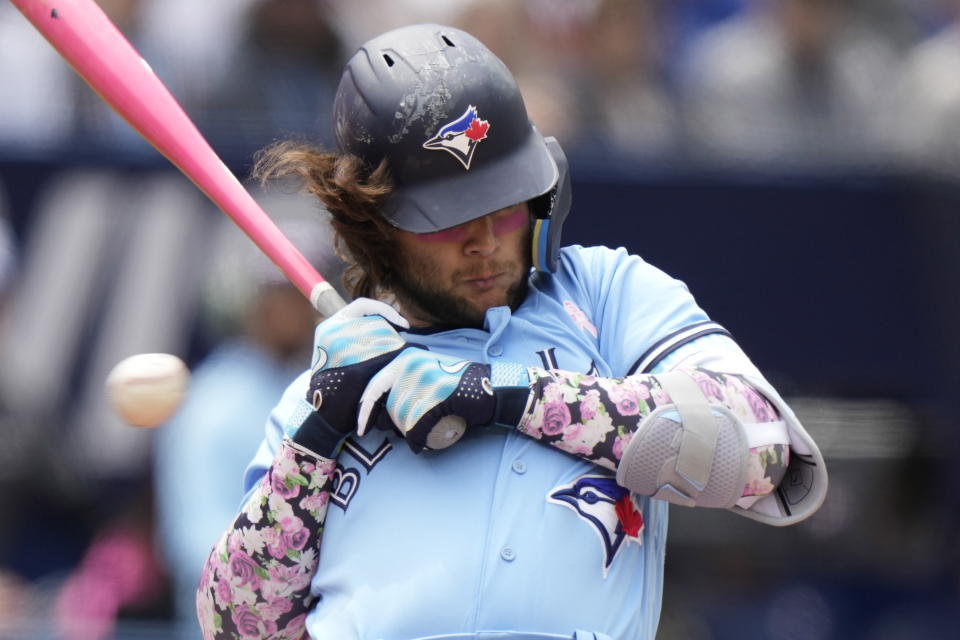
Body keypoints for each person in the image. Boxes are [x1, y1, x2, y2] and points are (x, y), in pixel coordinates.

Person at [196, 23, 828, 640]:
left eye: (504, 208)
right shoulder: (331, 382)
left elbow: (763, 453)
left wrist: (506, 395)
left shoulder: (606, 297)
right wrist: (317, 434)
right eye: (447, 221)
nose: (485, 245)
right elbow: (235, 625)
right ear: (376, 227)